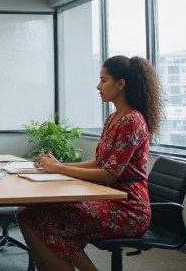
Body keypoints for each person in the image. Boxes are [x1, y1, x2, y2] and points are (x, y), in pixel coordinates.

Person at [17, 55, 163, 271]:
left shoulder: (132, 120)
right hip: (109, 199)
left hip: (129, 209)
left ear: (121, 84)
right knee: (28, 214)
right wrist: (59, 164)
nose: (98, 86)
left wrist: (59, 169)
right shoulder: (114, 118)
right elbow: (99, 162)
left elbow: (108, 174)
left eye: (104, 80)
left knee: (35, 217)